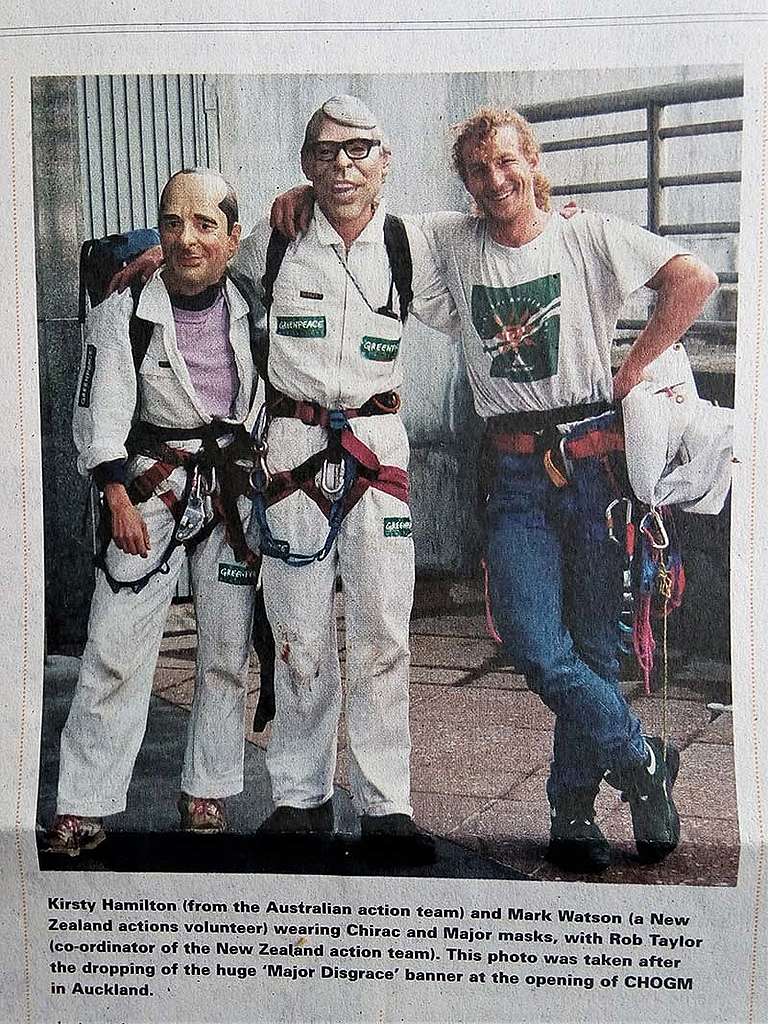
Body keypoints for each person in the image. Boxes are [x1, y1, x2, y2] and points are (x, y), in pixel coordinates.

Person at [419, 107, 718, 871]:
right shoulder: (452, 242)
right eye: (479, 170)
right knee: (531, 639)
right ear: (466, 181)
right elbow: (354, 219)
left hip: (593, 466)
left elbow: (693, 278)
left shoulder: (587, 234)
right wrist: (291, 204)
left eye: (508, 162)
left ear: (534, 161)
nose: (495, 180)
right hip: (514, 475)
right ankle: (643, 759)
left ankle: (572, 805)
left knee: (592, 645)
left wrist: (633, 368)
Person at [44, 169, 260, 855]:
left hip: (228, 492)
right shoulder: (125, 310)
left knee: (225, 651)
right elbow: (100, 409)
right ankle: (83, 804)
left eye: (204, 224)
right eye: (172, 222)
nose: (186, 238)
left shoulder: (254, 302)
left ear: (232, 238)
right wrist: (113, 493)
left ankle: (207, 791)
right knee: (115, 646)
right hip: (149, 490)